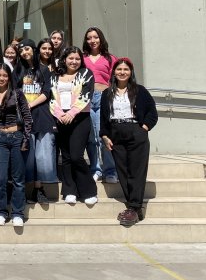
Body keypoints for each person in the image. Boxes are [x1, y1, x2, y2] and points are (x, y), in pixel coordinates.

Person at [100, 58, 158, 226]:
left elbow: (152, 112)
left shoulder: (140, 91)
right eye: (119, 69)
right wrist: (105, 136)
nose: (122, 72)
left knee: (137, 170)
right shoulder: (107, 93)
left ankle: (133, 207)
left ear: (131, 72)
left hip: (136, 131)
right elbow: (104, 118)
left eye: (126, 69)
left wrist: (144, 128)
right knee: (123, 171)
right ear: (114, 72)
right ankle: (135, 207)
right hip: (115, 133)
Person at [50, 46, 98, 205]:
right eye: (71, 58)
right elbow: (51, 97)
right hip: (60, 118)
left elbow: (87, 95)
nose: (74, 61)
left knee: (77, 156)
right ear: (64, 59)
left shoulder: (86, 74)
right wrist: (60, 114)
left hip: (80, 118)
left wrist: (71, 113)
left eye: (77, 59)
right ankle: (69, 190)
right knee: (67, 157)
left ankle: (89, 190)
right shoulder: (55, 75)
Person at [0, 63, 32, 227]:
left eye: (5, 75)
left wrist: (25, 139)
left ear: (9, 77)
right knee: (0, 179)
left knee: (18, 179)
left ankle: (18, 213)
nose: (2, 78)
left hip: (17, 137)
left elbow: (27, 118)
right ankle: (1, 212)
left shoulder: (17, 93)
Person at [12, 39, 56, 204]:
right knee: (27, 154)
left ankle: (39, 188)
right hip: (24, 118)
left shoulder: (44, 70)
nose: (24, 52)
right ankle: (24, 190)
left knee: (41, 154)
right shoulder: (17, 71)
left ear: (33, 50)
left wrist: (30, 104)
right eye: (21, 51)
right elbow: (14, 92)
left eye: (27, 49)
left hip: (42, 115)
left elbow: (47, 92)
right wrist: (24, 107)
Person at [83, 26, 118, 183]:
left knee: (104, 136)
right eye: (89, 38)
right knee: (91, 137)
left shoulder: (110, 58)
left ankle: (110, 170)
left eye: (95, 37)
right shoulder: (82, 58)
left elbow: (116, 80)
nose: (92, 40)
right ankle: (95, 169)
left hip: (104, 98)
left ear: (101, 38)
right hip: (87, 99)